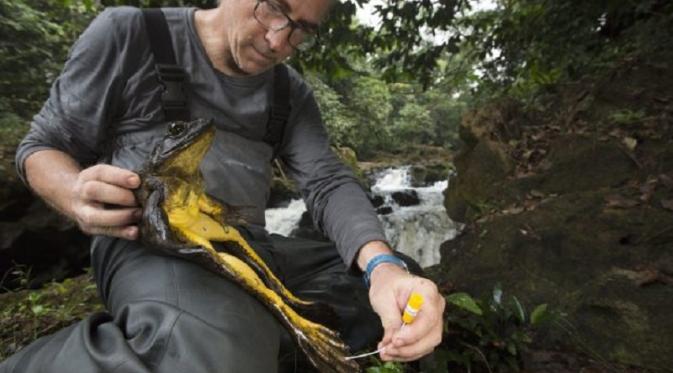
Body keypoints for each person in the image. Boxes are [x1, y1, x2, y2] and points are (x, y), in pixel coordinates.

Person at [2, 0, 445, 371]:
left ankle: (215, 339)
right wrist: (73, 191)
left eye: (300, 31)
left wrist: (383, 270)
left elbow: (327, 182)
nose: (277, 41)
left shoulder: (289, 94)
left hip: (246, 246)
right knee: (225, 337)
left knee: (399, 292)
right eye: (273, 8)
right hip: (154, 240)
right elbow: (44, 144)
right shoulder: (131, 33)